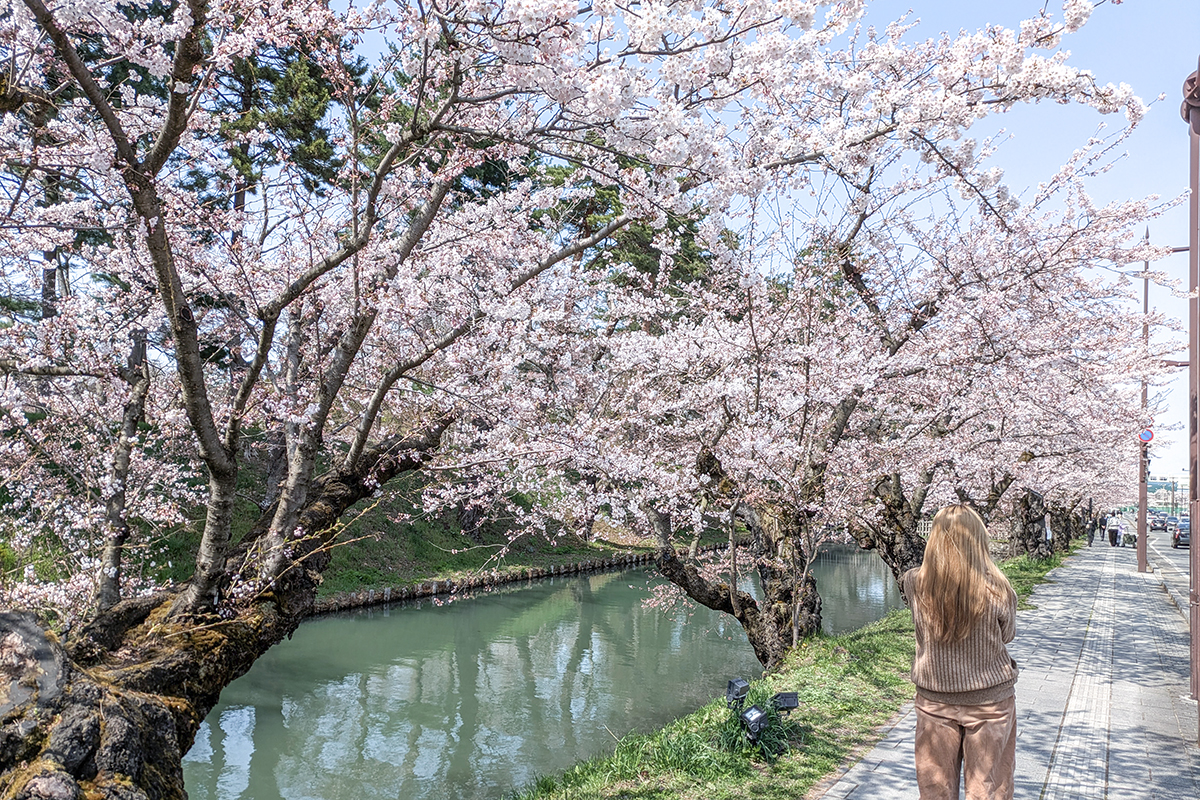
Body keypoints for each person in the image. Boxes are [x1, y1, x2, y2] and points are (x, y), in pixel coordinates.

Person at [903, 504, 1018, 800]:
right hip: (990, 700)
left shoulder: (915, 582)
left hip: (934, 700)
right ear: (978, 539)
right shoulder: (998, 589)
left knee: (935, 788)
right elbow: (1007, 636)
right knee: (989, 788)